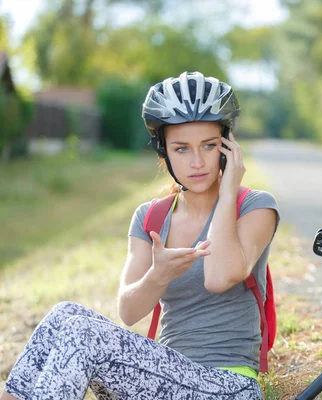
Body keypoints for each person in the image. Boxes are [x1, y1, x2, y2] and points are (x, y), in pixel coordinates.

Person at [0, 71, 279, 400]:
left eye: (209, 145)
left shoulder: (255, 207)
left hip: (227, 386)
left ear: (228, 147)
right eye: (181, 149)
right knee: (64, 315)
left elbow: (219, 277)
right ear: (164, 153)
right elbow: (129, 311)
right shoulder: (151, 216)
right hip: (165, 375)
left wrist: (229, 188)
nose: (197, 161)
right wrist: (158, 275)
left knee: (83, 332)